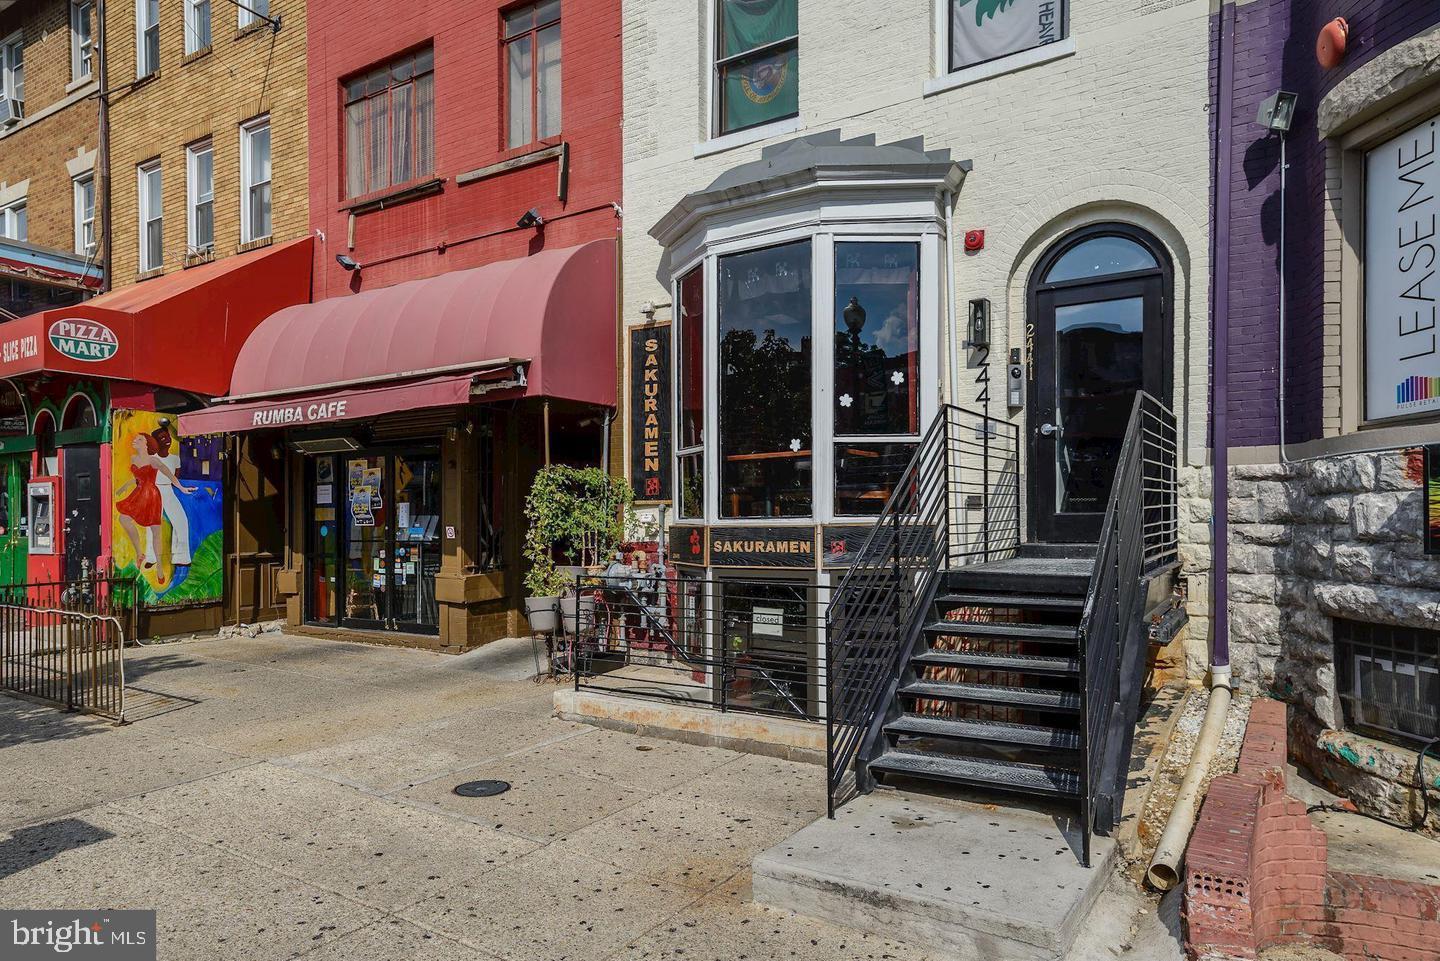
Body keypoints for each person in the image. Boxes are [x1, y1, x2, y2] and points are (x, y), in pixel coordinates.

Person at [115, 433, 195, 582]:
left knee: (157, 530)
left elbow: (170, 475)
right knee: (124, 519)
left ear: (147, 444)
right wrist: (124, 487)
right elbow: (137, 478)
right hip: (139, 493)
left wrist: (182, 488)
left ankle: (161, 565)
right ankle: (142, 554)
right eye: (136, 438)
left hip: (152, 494)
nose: (135, 440)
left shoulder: (154, 460)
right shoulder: (133, 459)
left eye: (139, 439)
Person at [150, 422, 192, 566]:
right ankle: (151, 557)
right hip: (154, 491)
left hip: (168, 490)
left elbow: (175, 476)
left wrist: (181, 488)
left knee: (181, 521)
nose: (167, 440)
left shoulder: (175, 458)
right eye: (162, 438)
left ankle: (181, 557)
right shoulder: (152, 459)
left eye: (167, 436)